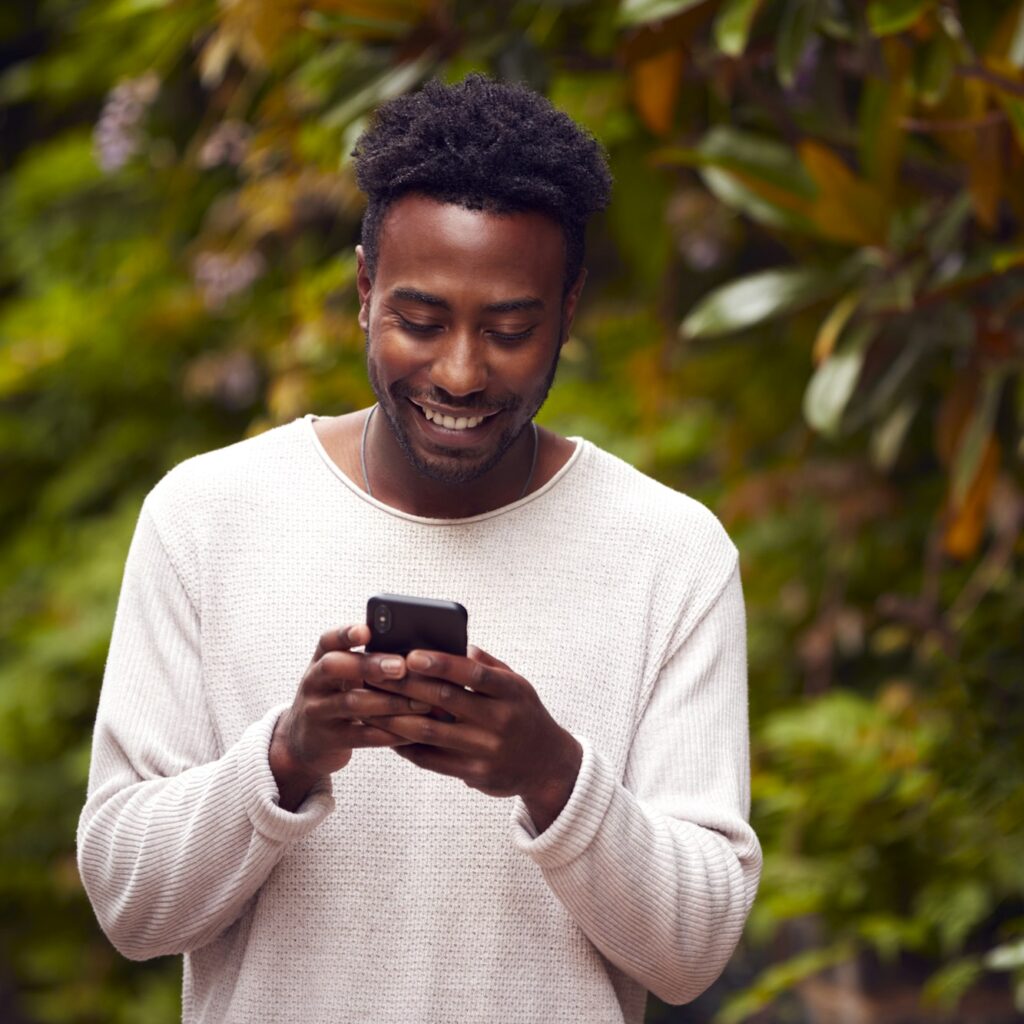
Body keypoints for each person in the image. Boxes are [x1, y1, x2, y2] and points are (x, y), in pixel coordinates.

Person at [77, 74, 761, 1024]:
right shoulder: (206, 515)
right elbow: (128, 904)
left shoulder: (669, 553)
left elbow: (694, 951)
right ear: (364, 291)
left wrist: (551, 773)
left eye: (511, 329)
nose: (461, 371)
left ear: (569, 310)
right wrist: (284, 756)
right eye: (421, 320)